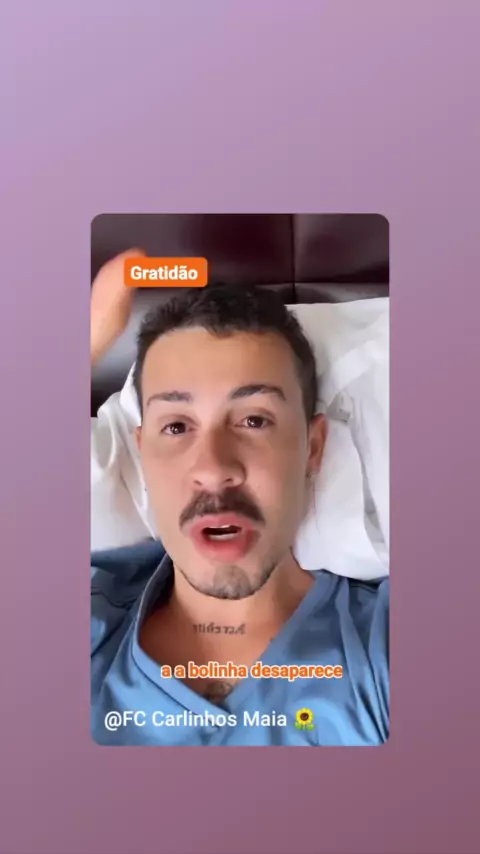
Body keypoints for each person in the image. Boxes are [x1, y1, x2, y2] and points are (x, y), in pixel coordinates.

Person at [90, 251, 389, 746]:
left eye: (254, 420)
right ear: (142, 453)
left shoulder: (386, 649)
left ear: (313, 448)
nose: (213, 469)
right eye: (177, 426)